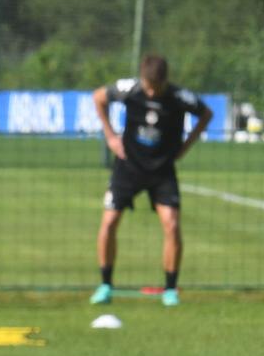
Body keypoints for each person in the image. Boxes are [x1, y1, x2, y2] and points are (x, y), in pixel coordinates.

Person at [90, 54, 212, 308]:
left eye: (154, 87)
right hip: (128, 167)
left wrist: (186, 146)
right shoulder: (130, 89)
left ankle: (170, 289)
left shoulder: (179, 97)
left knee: (172, 225)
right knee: (109, 221)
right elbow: (98, 97)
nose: (150, 91)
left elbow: (206, 114)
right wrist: (111, 136)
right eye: (147, 85)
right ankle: (105, 285)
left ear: (164, 81)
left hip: (162, 170)